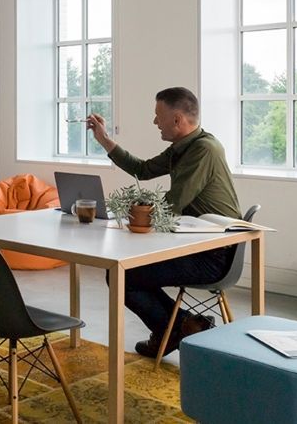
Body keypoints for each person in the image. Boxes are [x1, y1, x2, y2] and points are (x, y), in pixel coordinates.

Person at [85, 87, 242, 358]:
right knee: (128, 272)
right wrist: (104, 140)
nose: (155, 121)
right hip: (195, 245)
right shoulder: (184, 147)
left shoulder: (204, 149)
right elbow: (143, 170)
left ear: (177, 119)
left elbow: (172, 204)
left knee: (123, 275)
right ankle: (186, 326)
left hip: (215, 255)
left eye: (159, 115)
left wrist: (127, 215)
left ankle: (175, 330)